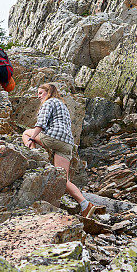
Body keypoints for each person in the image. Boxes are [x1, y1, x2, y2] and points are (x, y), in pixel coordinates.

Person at [22, 83, 103, 218]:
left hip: (53, 138)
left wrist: (32, 138)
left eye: (41, 93)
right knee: (63, 179)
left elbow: (41, 123)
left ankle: (34, 155)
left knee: (26, 133)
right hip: (67, 144)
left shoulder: (48, 103)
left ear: (48, 93)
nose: (38, 96)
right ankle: (85, 204)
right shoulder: (62, 105)